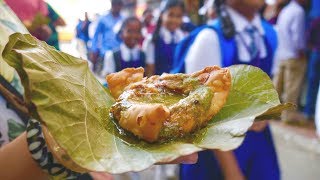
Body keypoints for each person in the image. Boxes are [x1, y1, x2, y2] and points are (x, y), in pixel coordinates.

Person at [177, 0, 280, 179]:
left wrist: (266, 112)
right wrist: (231, 170)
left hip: (257, 141)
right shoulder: (209, 38)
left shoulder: (269, 34)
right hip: (217, 147)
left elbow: (268, 83)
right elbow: (202, 114)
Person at [273, 0, 309, 122]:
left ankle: (272, 112)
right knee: (291, 87)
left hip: (282, 53)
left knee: (277, 85)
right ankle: (287, 116)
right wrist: (301, 50)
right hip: (293, 55)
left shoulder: (285, 10)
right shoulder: (298, 11)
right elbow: (297, 35)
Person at [142, 0, 185, 76]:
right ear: (162, 15)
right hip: (158, 86)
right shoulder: (152, 41)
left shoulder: (184, 39)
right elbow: (150, 72)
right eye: (170, 15)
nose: (174, 20)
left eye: (179, 16)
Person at [90, 0, 124, 73]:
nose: (117, 7)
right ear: (112, 4)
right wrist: (94, 50)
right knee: (107, 77)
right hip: (105, 52)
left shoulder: (123, 19)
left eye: (119, 4)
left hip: (119, 54)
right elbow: (96, 35)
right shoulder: (103, 18)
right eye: (115, 4)